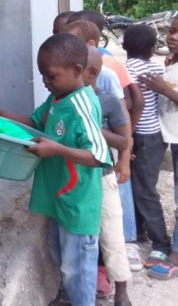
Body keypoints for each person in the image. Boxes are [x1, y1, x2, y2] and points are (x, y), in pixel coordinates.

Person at [0, 33, 111, 306]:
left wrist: (57, 149)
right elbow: (33, 122)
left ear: (77, 71)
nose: (45, 81)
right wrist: (2, 113)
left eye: (51, 75)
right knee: (63, 258)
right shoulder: (56, 98)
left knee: (78, 268)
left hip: (77, 205)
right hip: (58, 200)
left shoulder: (83, 105)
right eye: (42, 75)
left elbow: (99, 155)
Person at [63, 18, 144, 268]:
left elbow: (122, 124)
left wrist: (124, 160)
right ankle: (97, 269)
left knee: (112, 219)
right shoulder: (65, 84)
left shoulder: (105, 77)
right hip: (79, 167)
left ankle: (123, 262)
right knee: (88, 224)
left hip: (104, 163)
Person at [82, 46, 133, 304]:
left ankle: (122, 293)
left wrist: (93, 129)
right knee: (79, 238)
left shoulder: (108, 102)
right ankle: (79, 286)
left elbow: (124, 141)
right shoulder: (59, 102)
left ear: (90, 73)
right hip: (73, 181)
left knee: (112, 234)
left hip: (102, 178)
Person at [122, 24, 171, 267]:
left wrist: (127, 139)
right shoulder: (155, 66)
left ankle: (161, 242)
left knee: (143, 190)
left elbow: (134, 105)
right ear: (153, 49)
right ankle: (140, 230)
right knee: (142, 185)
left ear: (123, 46)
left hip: (141, 135)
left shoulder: (128, 68)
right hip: (156, 136)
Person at [139, 17, 178, 279]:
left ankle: (176, 255)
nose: (174, 36)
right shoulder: (170, 60)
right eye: (173, 30)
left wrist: (163, 88)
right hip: (169, 134)